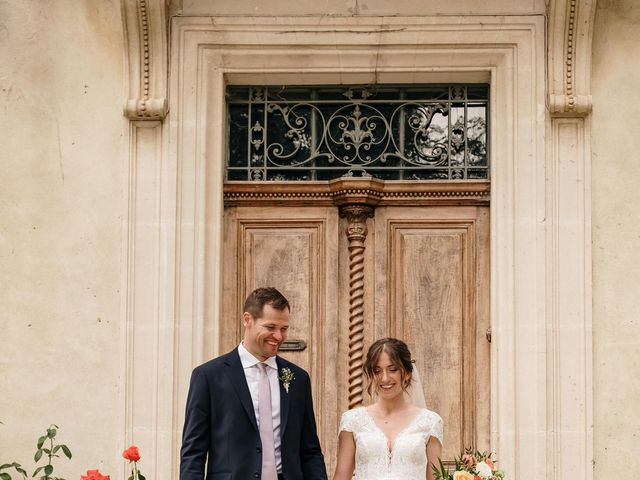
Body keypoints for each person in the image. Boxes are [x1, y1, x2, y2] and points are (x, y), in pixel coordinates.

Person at [180, 287, 328, 480]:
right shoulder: (208, 376)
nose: (278, 336)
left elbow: (310, 451)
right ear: (247, 320)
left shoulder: (298, 378)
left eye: (284, 329)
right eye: (270, 327)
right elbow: (193, 453)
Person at [333, 338, 443, 480]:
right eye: (377, 371)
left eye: (393, 369)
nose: (384, 378)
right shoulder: (352, 420)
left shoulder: (431, 422)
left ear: (408, 372)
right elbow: (341, 477)